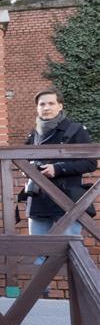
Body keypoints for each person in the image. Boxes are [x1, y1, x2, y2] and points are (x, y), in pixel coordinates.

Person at [23, 89, 97, 238]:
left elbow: (90, 163)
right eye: (42, 104)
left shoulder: (76, 130)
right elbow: (23, 161)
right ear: (37, 108)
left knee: (69, 247)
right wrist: (27, 169)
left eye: (51, 103)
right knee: (39, 250)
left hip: (67, 198)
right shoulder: (33, 134)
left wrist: (58, 169)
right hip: (39, 198)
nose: (46, 107)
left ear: (60, 106)